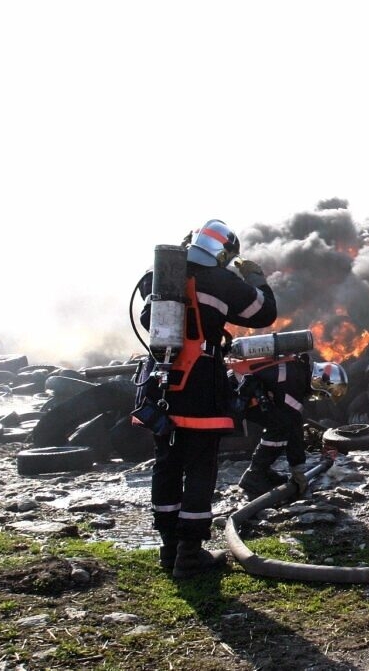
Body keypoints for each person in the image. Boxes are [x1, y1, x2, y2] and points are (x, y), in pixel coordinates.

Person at [134, 219, 278, 578]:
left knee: (166, 464)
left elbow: (143, 309)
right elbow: (264, 313)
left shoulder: (161, 275)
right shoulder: (221, 280)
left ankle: (169, 550)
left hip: (161, 383)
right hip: (201, 383)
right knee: (200, 466)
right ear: (225, 252)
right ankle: (190, 554)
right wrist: (256, 278)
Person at [231, 354, 348, 500]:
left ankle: (262, 471)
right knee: (280, 427)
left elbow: (294, 424)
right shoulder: (293, 383)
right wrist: (298, 469)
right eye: (320, 394)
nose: (316, 396)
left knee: (281, 423)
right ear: (319, 383)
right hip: (235, 392)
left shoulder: (297, 371)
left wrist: (297, 466)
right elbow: (294, 428)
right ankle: (255, 475)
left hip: (244, 389)